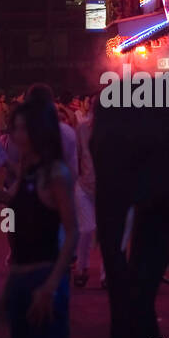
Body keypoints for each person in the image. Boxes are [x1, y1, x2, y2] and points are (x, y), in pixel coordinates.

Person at [0, 85, 82, 338]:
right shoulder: (26, 172)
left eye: (20, 129)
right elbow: (9, 201)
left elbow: (72, 232)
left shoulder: (56, 174)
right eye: (13, 129)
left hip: (43, 281)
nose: (13, 136)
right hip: (21, 281)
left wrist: (51, 285)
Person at [73, 99, 96, 288]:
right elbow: (77, 155)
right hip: (84, 186)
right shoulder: (82, 129)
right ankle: (82, 268)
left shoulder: (115, 131)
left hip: (108, 188)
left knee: (107, 233)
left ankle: (106, 276)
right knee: (87, 229)